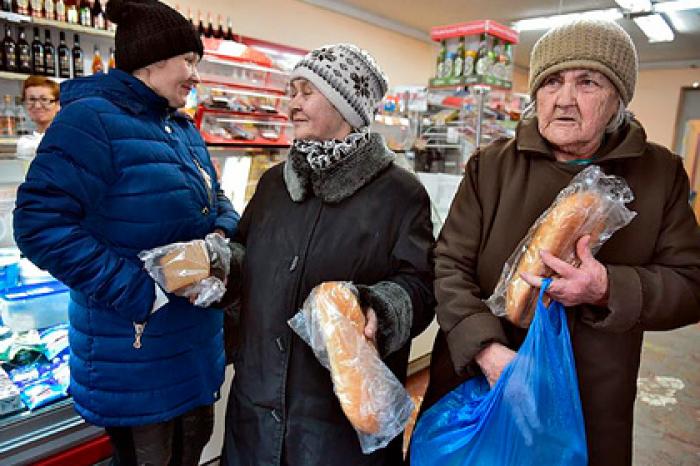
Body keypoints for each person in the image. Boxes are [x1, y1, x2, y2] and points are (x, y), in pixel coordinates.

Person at [417, 19, 700, 466]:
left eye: (587, 81)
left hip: (589, 398)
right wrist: (486, 351)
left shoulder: (659, 174)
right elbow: (449, 264)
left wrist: (608, 287)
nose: (564, 99)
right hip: (479, 380)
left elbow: (690, 284)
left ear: (618, 99)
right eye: (551, 81)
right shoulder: (491, 167)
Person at [13, 0, 239, 464]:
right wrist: (139, 291)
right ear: (153, 61)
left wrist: (220, 239)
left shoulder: (181, 128)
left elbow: (218, 198)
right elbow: (39, 223)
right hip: (136, 354)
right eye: (189, 61)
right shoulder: (90, 120)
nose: (195, 75)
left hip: (193, 346)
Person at [220, 44, 435, 465]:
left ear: (346, 106)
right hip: (256, 412)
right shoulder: (273, 185)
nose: (292, 104)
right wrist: (219, 266)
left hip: (336, 428)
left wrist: (382, 309)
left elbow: (422, 285)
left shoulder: (400, 194)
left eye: (306, 92)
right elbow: (246, 257)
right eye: (291, 91)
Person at [16, 75, 60, 160]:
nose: (37, 106)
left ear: (58, 104)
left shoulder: (67, 139)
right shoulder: (24, 143)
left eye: (44, 99)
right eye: (31, 99)